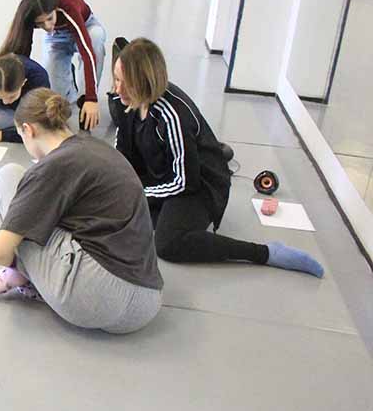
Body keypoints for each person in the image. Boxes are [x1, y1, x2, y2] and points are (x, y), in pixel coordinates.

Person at [111, 38, 323, 276]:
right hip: (162, 173)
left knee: (168, 242)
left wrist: (139, 194)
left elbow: (184, 182)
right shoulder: (125, 101)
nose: (117, 89)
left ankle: (266, 253)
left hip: (197, 186)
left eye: (126, 83)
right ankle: (158, 211)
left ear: (144, 82)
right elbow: (122, 155)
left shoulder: (173, 116)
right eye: (117, 79)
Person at [0, 88, 164, 334]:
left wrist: (20, 263)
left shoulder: (52, 166)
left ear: (28, 130)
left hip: (94, 298)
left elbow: (0, 251)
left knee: (9, 176)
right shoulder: (98, 148)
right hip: (146, 303)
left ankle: (17, 277)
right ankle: (36, 277)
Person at [2, 0, 107, 131]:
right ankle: (68, 80)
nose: (47, 26)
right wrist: (18, 83)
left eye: (49, 18)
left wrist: (91, 98)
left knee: (95, 38)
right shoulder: (31, 16)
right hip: (57, 36)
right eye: (40, 23)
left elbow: (87, 52)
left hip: (86, 27)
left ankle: (83, 99)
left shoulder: (68, 5)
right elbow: (24, 52)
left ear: (55, 9)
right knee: (55, 96)